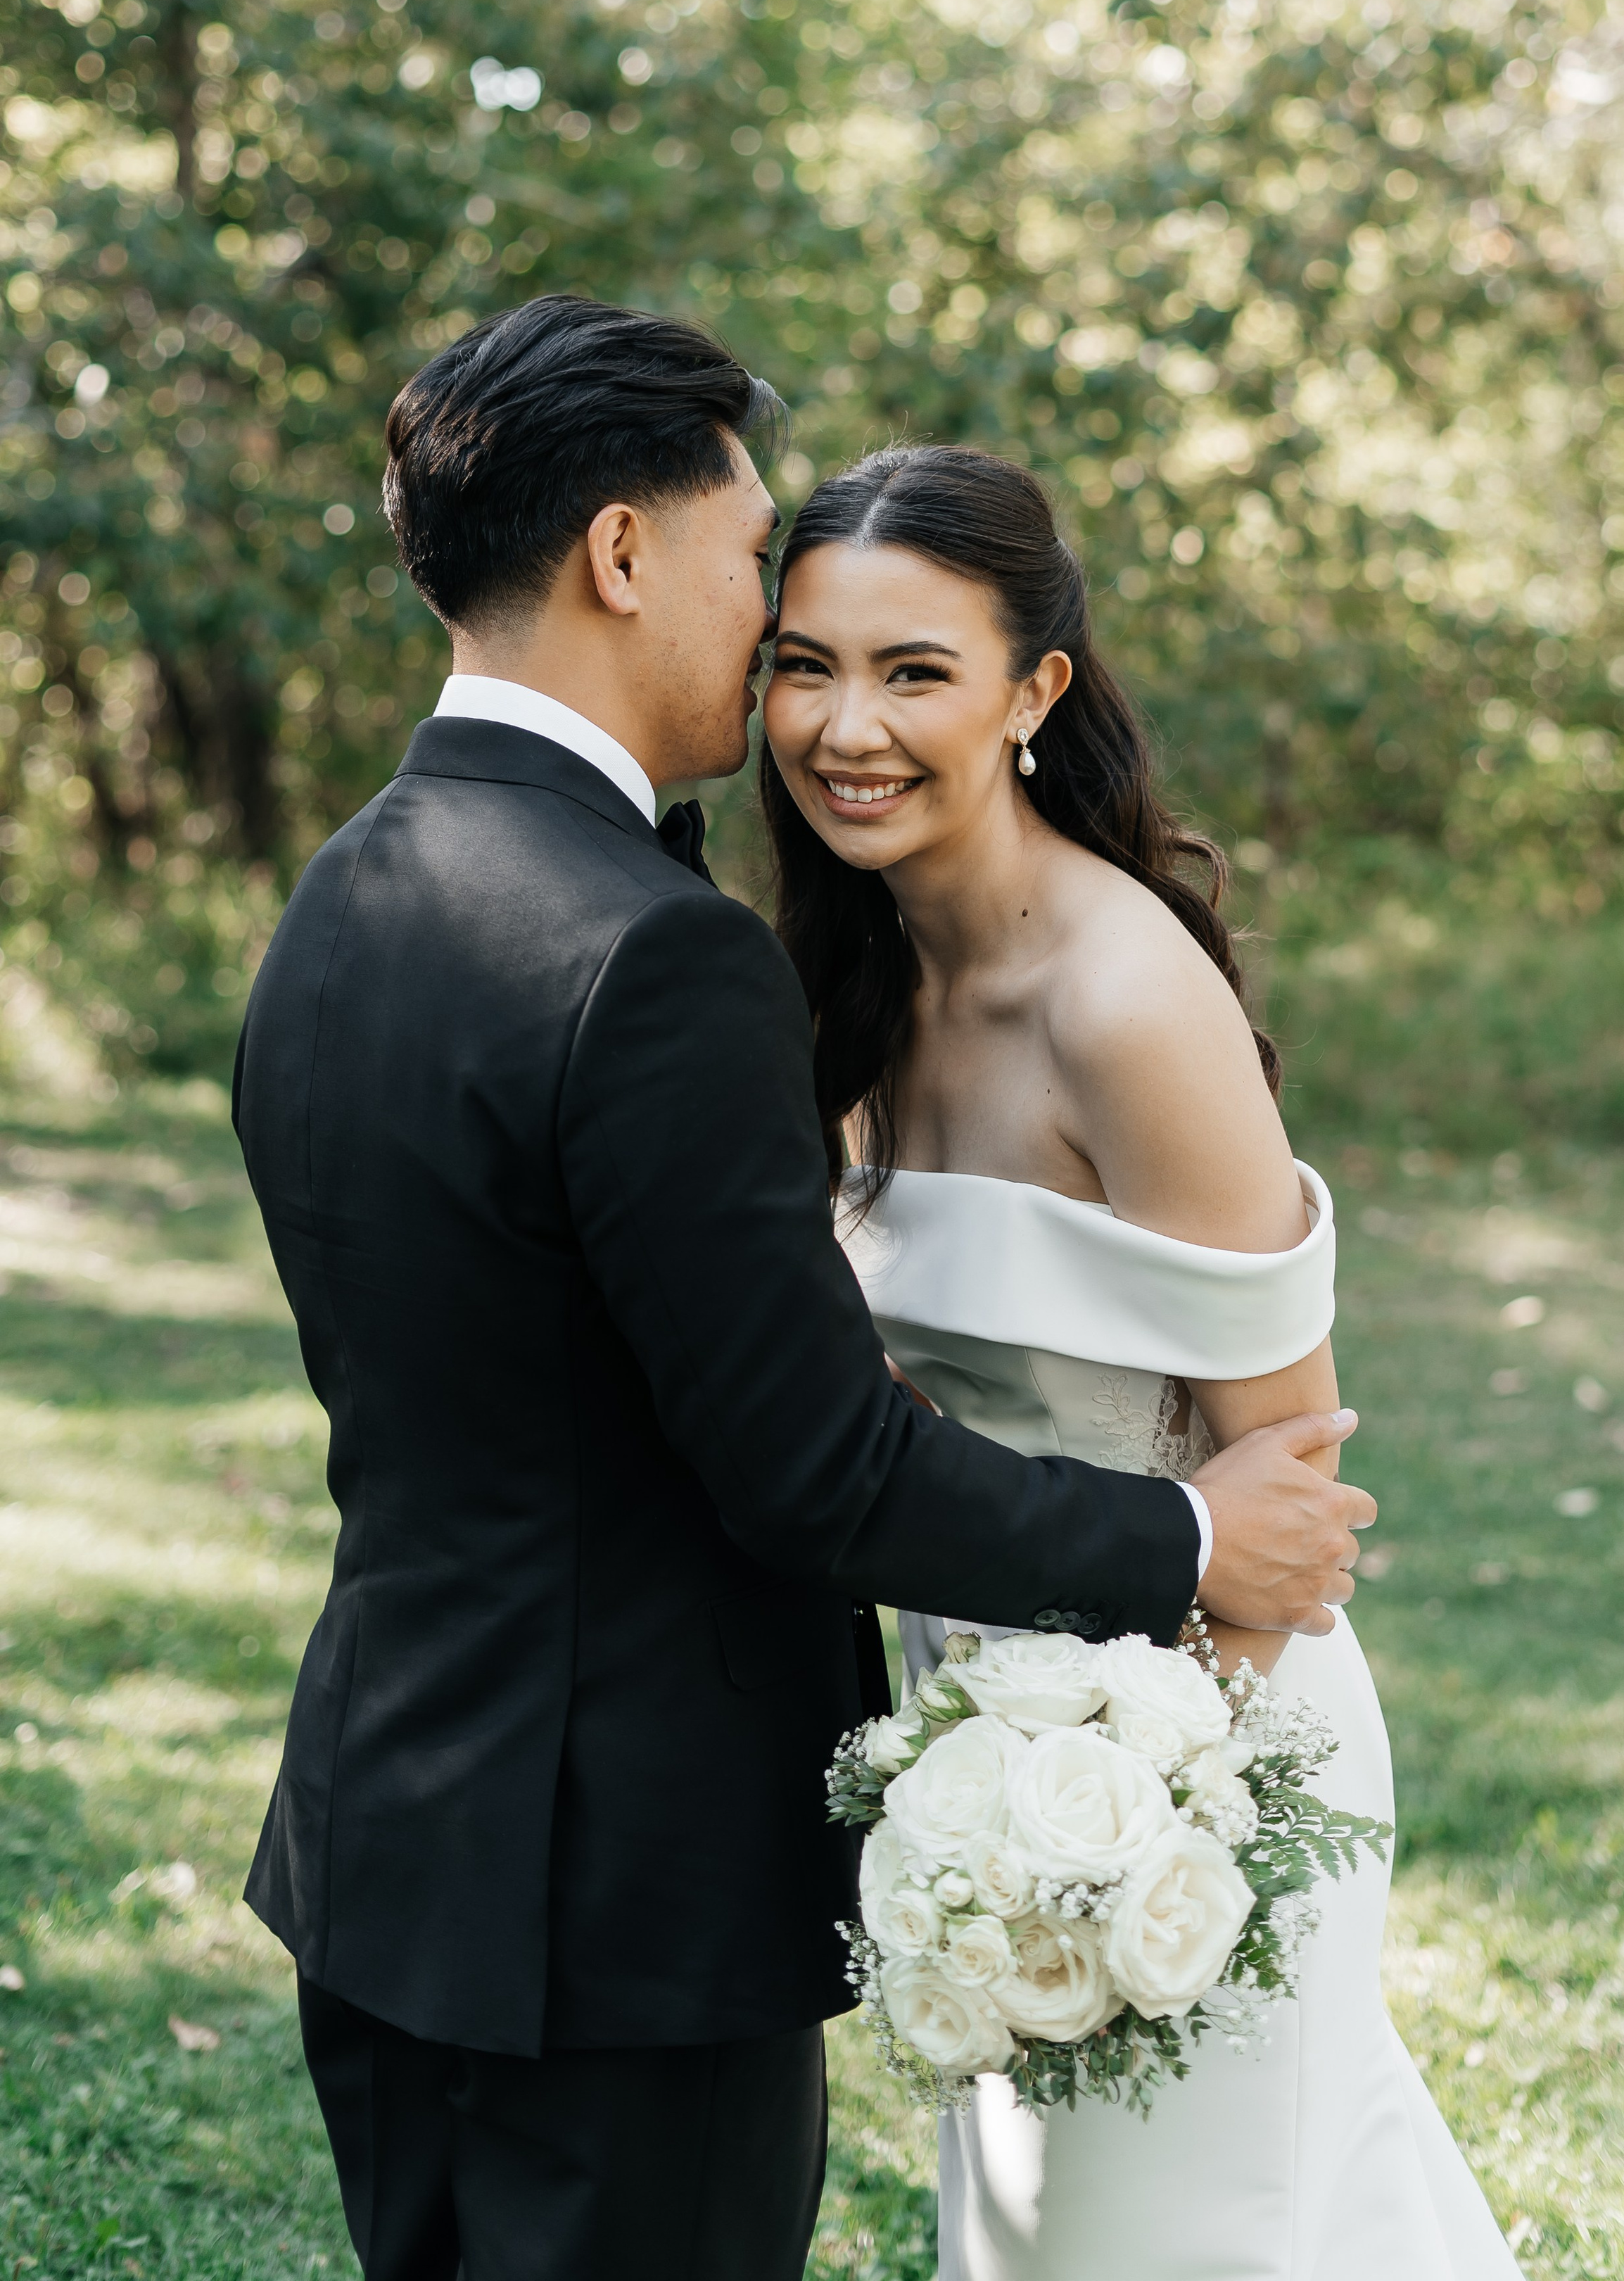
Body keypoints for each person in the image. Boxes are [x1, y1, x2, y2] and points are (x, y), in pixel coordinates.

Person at [231, 296, 1376, 2281]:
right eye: (756, 566)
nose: (782, 652)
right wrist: (1192, 1532)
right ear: (620, 555)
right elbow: (810, 1467)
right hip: (623, 1887)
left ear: (1033, 689)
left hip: (394, 1841)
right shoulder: (653, 952)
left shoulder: (353, 891)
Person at [759, 441, 1522, 2281]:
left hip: (1192, 1771)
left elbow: (1299, 1488)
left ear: (1037, 693)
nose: (844, 724)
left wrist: (1144, 1835)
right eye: (804, 663)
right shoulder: (861, 974)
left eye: (913, 671)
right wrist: (970, 1808)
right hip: (977, 1759)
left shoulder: (1124, 1001)